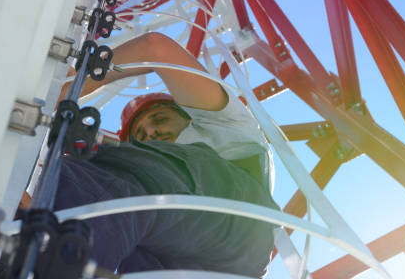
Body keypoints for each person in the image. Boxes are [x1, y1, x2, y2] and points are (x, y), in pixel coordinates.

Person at [52, 32, 278, 277]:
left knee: (123, 181)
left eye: (160, 118)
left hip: (239, 228)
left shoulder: (226, 124)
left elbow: (155, 47)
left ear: (187, 113)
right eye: (140, 134)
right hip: (193, 254)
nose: (151, 132)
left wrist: (67, 88)